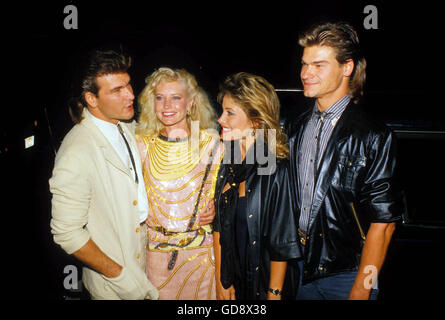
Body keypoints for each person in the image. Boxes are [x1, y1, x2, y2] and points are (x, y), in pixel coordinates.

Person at [288, 21, 405, 300]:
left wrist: (363, 289)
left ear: (347, 67)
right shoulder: (295, 126)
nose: (306, 73)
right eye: (305, 64)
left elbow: (385, 224)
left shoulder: (374, 135)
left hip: (346, 275)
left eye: (318, 65)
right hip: (294, 265)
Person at [49, 48, 159, 299]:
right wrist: (120, 276)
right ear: (92, 99)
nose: (131, 95)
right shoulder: (76, 152)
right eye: (117, 90)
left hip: (148, 268)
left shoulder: (127, 126)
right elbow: (66, 232)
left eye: (128, 85)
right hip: (114, 288)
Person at [136, 67, 223, 300]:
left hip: (202, 257)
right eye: (160, 98)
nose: (167, 106)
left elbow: (231, 195)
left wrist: (217, 207)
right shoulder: (141, 145)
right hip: (157, 258)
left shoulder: (212, 144)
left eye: (176, 98)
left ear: (190, 103)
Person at [213, 72, 300, 300]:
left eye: (230, 113)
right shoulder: (229, 159)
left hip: (264, 287)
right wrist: (222, 280)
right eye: (222, 111)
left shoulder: (273, 166)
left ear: (255, 120)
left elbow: (282, 241)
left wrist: (274, 293)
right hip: (236, 284)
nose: (221, 119)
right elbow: (220, 227)